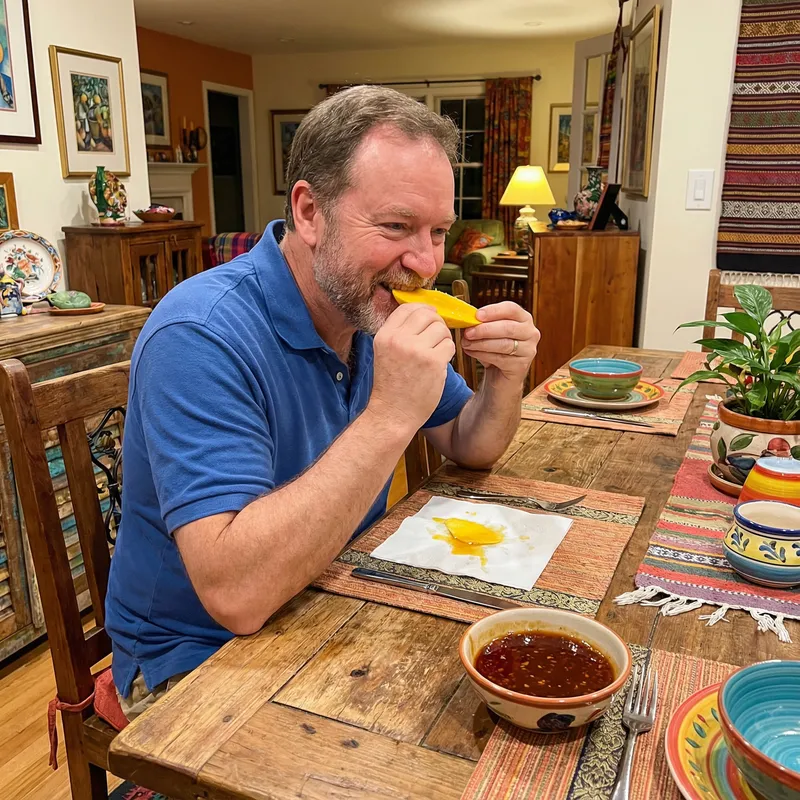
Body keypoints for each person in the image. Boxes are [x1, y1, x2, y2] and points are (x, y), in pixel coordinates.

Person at [105, 85, 540, 718]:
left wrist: (506, 377)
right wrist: (390, 416)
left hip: (334, 595)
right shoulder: (200, 334)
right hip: (194, 659)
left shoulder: (368, 308)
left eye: (438, 231)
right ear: (310, 212)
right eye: (395, 226)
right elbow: (238, 594)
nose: (425, 263)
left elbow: (472, 444)